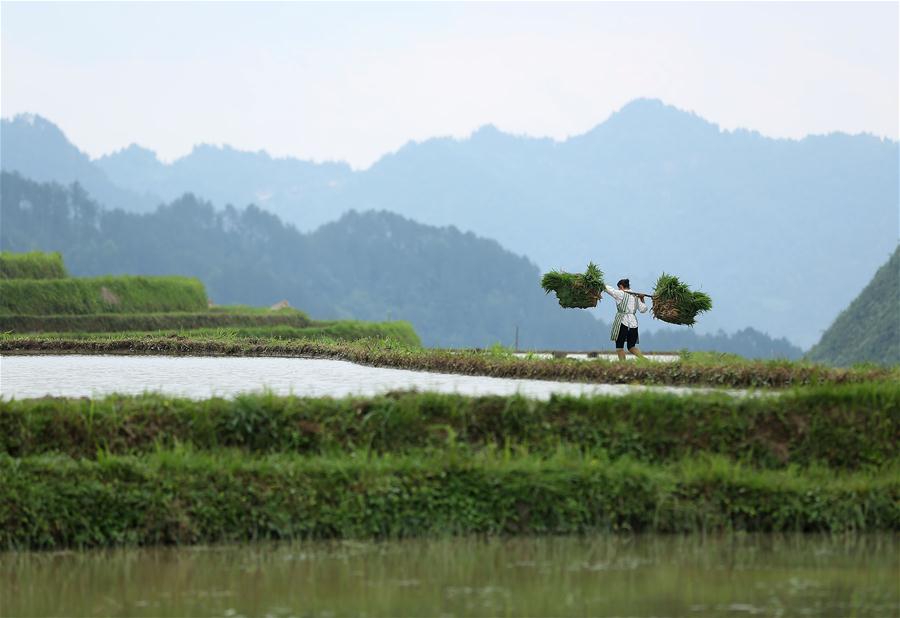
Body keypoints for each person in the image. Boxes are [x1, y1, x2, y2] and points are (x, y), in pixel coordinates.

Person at [603, 278, 648, 361]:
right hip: (634, 323)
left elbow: (609, 290)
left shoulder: (621, 294)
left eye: (619, 288)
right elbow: (643, 310)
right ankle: (645, 360)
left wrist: (601, 284)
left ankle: (623, 365)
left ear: (621, 286)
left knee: (619, 347)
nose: (618, 290)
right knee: (631, 347)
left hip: (623, 322)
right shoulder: (636, 296)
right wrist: (642, 298)